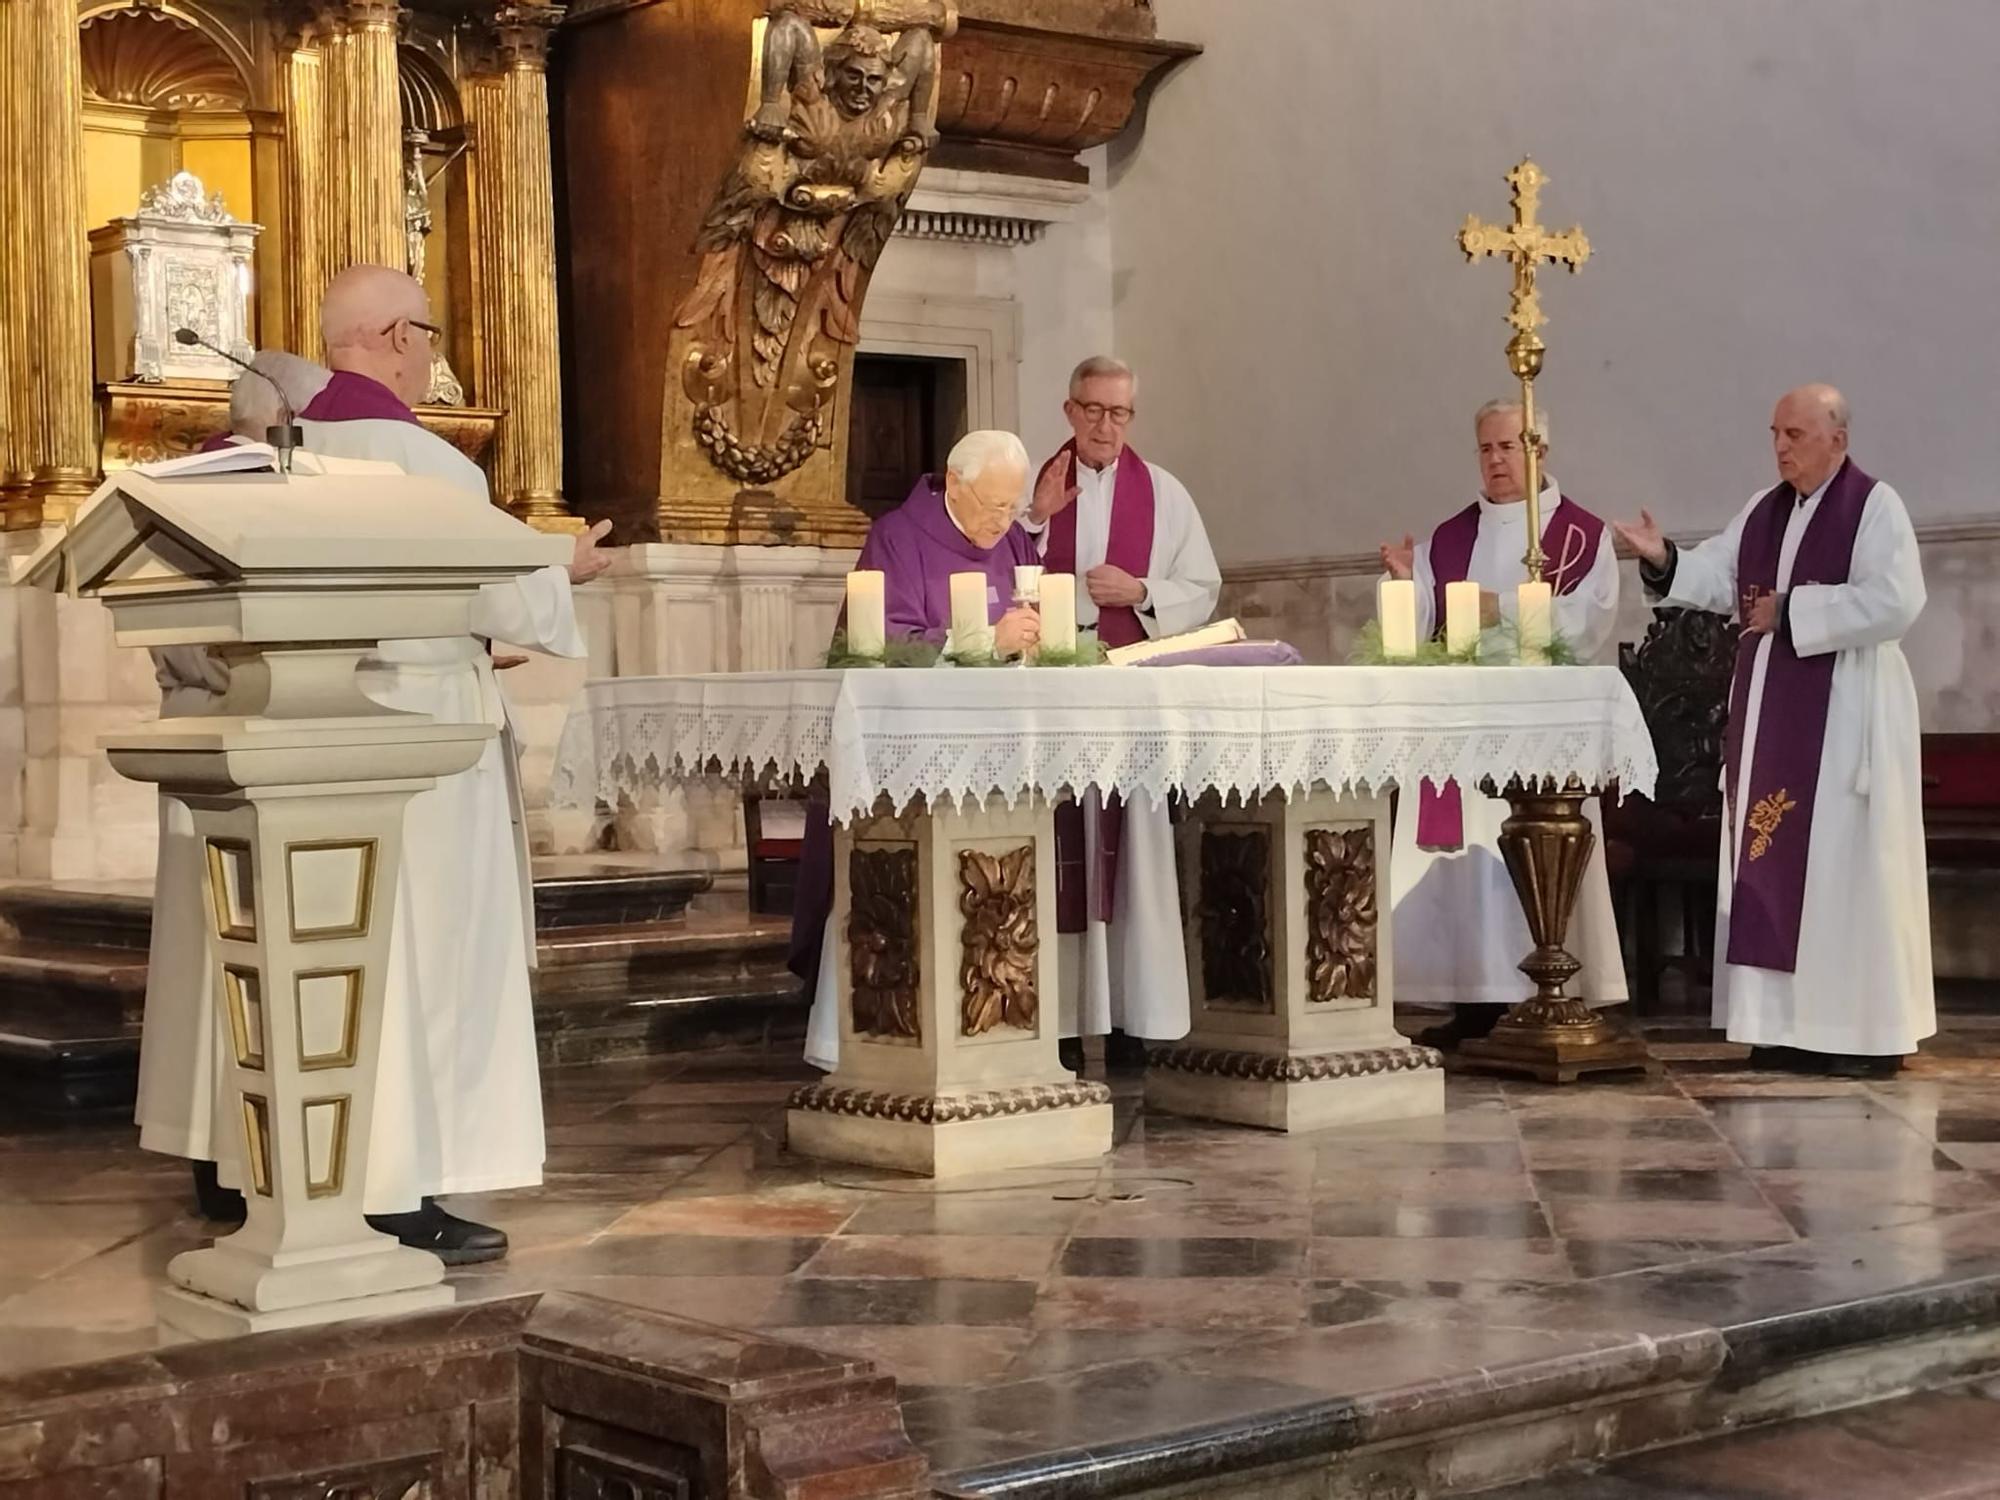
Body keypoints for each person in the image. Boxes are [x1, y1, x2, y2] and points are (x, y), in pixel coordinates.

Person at [136, 267, 615, 1263]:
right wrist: (561, 568)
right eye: (429, 334)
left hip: (275, 737)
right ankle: (395, 1187)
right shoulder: (420, 461)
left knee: (281, 961)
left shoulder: (249, 457)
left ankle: (246, 1168)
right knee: (412, 964)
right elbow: (496, 598)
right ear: (394, 335)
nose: (432, 354)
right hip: (417, 744)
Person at [1613, 384, 1932, 1079]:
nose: (1781, 447)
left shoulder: (1876, 507)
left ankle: (1857, 1032)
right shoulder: (1764, 512)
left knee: (1846, 876)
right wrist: (1663, 556)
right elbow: (1716, 573)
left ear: (1837, 439)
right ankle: (1783, 1026)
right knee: (1774, 864)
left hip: (1848, 726)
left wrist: (1793, 611)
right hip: (1771, 725)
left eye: (1796, 434)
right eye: (1775, 434)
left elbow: (1898, 600)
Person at [792, 431, 1044, 1069]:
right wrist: (985, 637)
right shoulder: (898, 537)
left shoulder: (1012, 539)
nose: (1001, 523)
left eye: (1011, 509)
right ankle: (874, 1031)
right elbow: (882, 643)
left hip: (997, 750)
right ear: (955, 484)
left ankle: (994, 1021)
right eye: (990, 505)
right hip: (907, 756)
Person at [1379, 400, 1626, 1050]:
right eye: (1485, 448)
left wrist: (1505, 611)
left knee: (1527, 851)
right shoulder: (1448, 538)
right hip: (1462, 727)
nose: (1495, 460)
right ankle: (1471, 996)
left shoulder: (1579, 535)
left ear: (1539, 449)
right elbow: (1425, 629)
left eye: (1508, 446)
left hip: (1541, 729)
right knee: (1466, 864)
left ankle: (1545, 988)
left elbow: (1588, 625)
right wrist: (1408, 583)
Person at [1023, 357, 1219, 1059]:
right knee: (1060, 855)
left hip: (1130, 698)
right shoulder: (1032, 486)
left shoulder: (1164, 494)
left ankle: (1137, 1018)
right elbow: (994, 569)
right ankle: (1064, 1022)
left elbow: (1203, 585)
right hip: (1051, 704)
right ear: (1070, 411)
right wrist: (1039, 523)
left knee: (1132, 853)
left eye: (1120, 412)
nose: (1107, 425)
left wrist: (1139, 592)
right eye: (1094, 410)